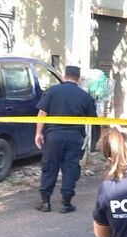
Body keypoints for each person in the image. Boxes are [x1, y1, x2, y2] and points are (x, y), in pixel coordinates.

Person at [34, 65, 96, 213]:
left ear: (64, 76)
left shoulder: (52, 91)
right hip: (74, 137)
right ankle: (66, 203)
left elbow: (42, 113)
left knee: (49, 167)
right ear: (79, 79)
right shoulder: (85, 96)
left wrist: (38, 133)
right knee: (70, 168)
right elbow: (92, 120)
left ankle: (45, 202)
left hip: (53, 136)